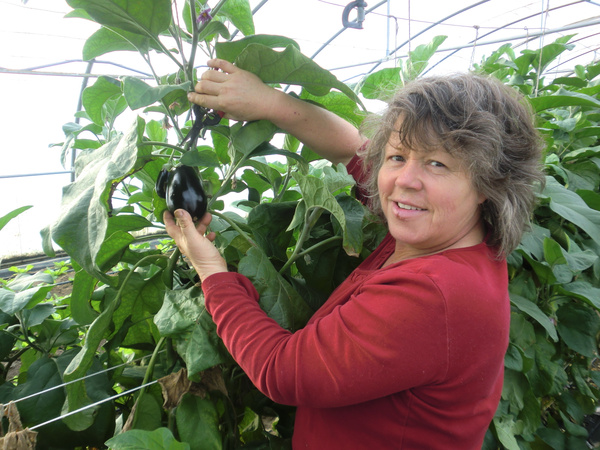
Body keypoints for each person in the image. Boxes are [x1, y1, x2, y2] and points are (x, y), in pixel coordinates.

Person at [164, 58, 545, 449]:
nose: (404, 180)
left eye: (437, 163)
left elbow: (282, 371)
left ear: (488, 183)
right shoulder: (444, 233)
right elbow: (352, 149)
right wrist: (269, 102)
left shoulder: (436, 293)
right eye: (398, 156)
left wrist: (210, 270)